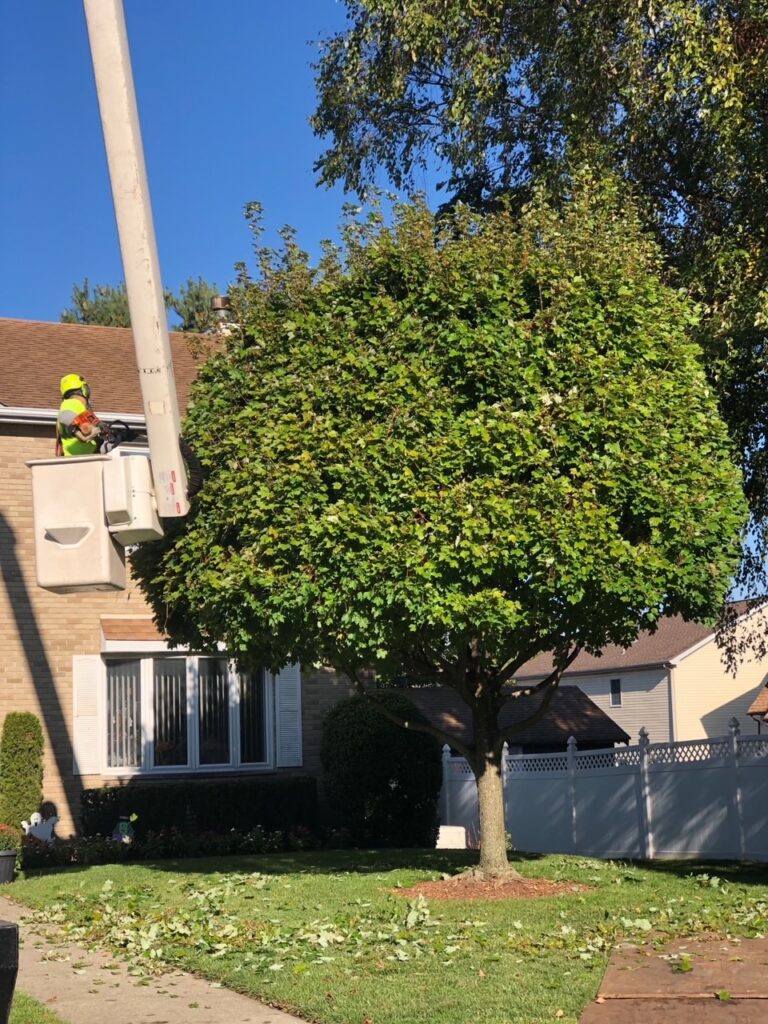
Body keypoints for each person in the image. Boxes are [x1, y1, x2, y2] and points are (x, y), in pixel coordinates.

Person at [56, 373, 104, 456]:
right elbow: (83, 432)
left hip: (83, 460)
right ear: (84, 390)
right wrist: (78, 431)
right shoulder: (72, 403)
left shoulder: (77, 407)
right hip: (77, 461)